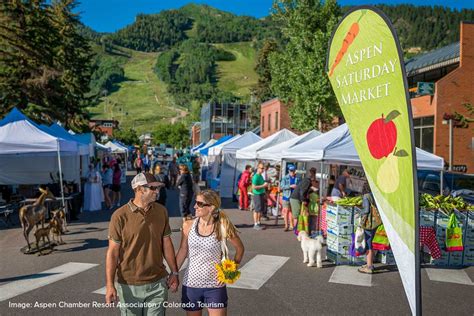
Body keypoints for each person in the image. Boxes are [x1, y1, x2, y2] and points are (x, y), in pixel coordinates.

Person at [106, 172, 179, 315]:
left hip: (158, 282)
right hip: (129, 285)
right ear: (140, 189)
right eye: (153, 188)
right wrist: (109, 284)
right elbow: (113, 252)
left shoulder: (161, 211)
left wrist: (174, 272)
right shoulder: (119, 216)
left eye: (157, 188)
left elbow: (167, 243)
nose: (157, 192)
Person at [176, 189, 244, 315]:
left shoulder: (223, 226)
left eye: (200, 204)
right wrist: (174, 273)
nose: (195, 206)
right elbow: (183, 250)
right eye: (196, 202)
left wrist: (231, 271)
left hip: (215, 287)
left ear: (211, 207)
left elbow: (240, 248)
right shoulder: (188, 225)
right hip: (191, 284)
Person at [358, 185, 381, 274]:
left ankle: (369, 266)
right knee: (370, 241)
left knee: (368, 244)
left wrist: (361, 221)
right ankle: (369, 263)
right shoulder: (374, 194)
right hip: (375, 222)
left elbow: (366, 210)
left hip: (369, 223)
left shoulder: (366, 196)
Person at [280, 165, 299, 231]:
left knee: (291, 211)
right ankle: (286, 225)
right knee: (286, 211)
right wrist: (290, 186)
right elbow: (282, 187)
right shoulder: (285, 178)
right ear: (288, 171)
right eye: (291, 171)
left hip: (294, 197)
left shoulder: (297, 178)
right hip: (286, 196)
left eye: (293, 171)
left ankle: (291, 225)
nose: (292, 172)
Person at [252, 163, 268, 230]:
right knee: (257, 209)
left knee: (260, 209)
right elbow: (254, 187)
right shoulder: (256, 176)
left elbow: (262, 183)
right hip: (257, 194)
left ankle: (258, 222)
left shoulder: (260, 176)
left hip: (261, 193)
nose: (263, 170)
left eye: (263, 168)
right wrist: (263, 186)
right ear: (258, 168)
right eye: (261, 168)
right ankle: (255, 224)